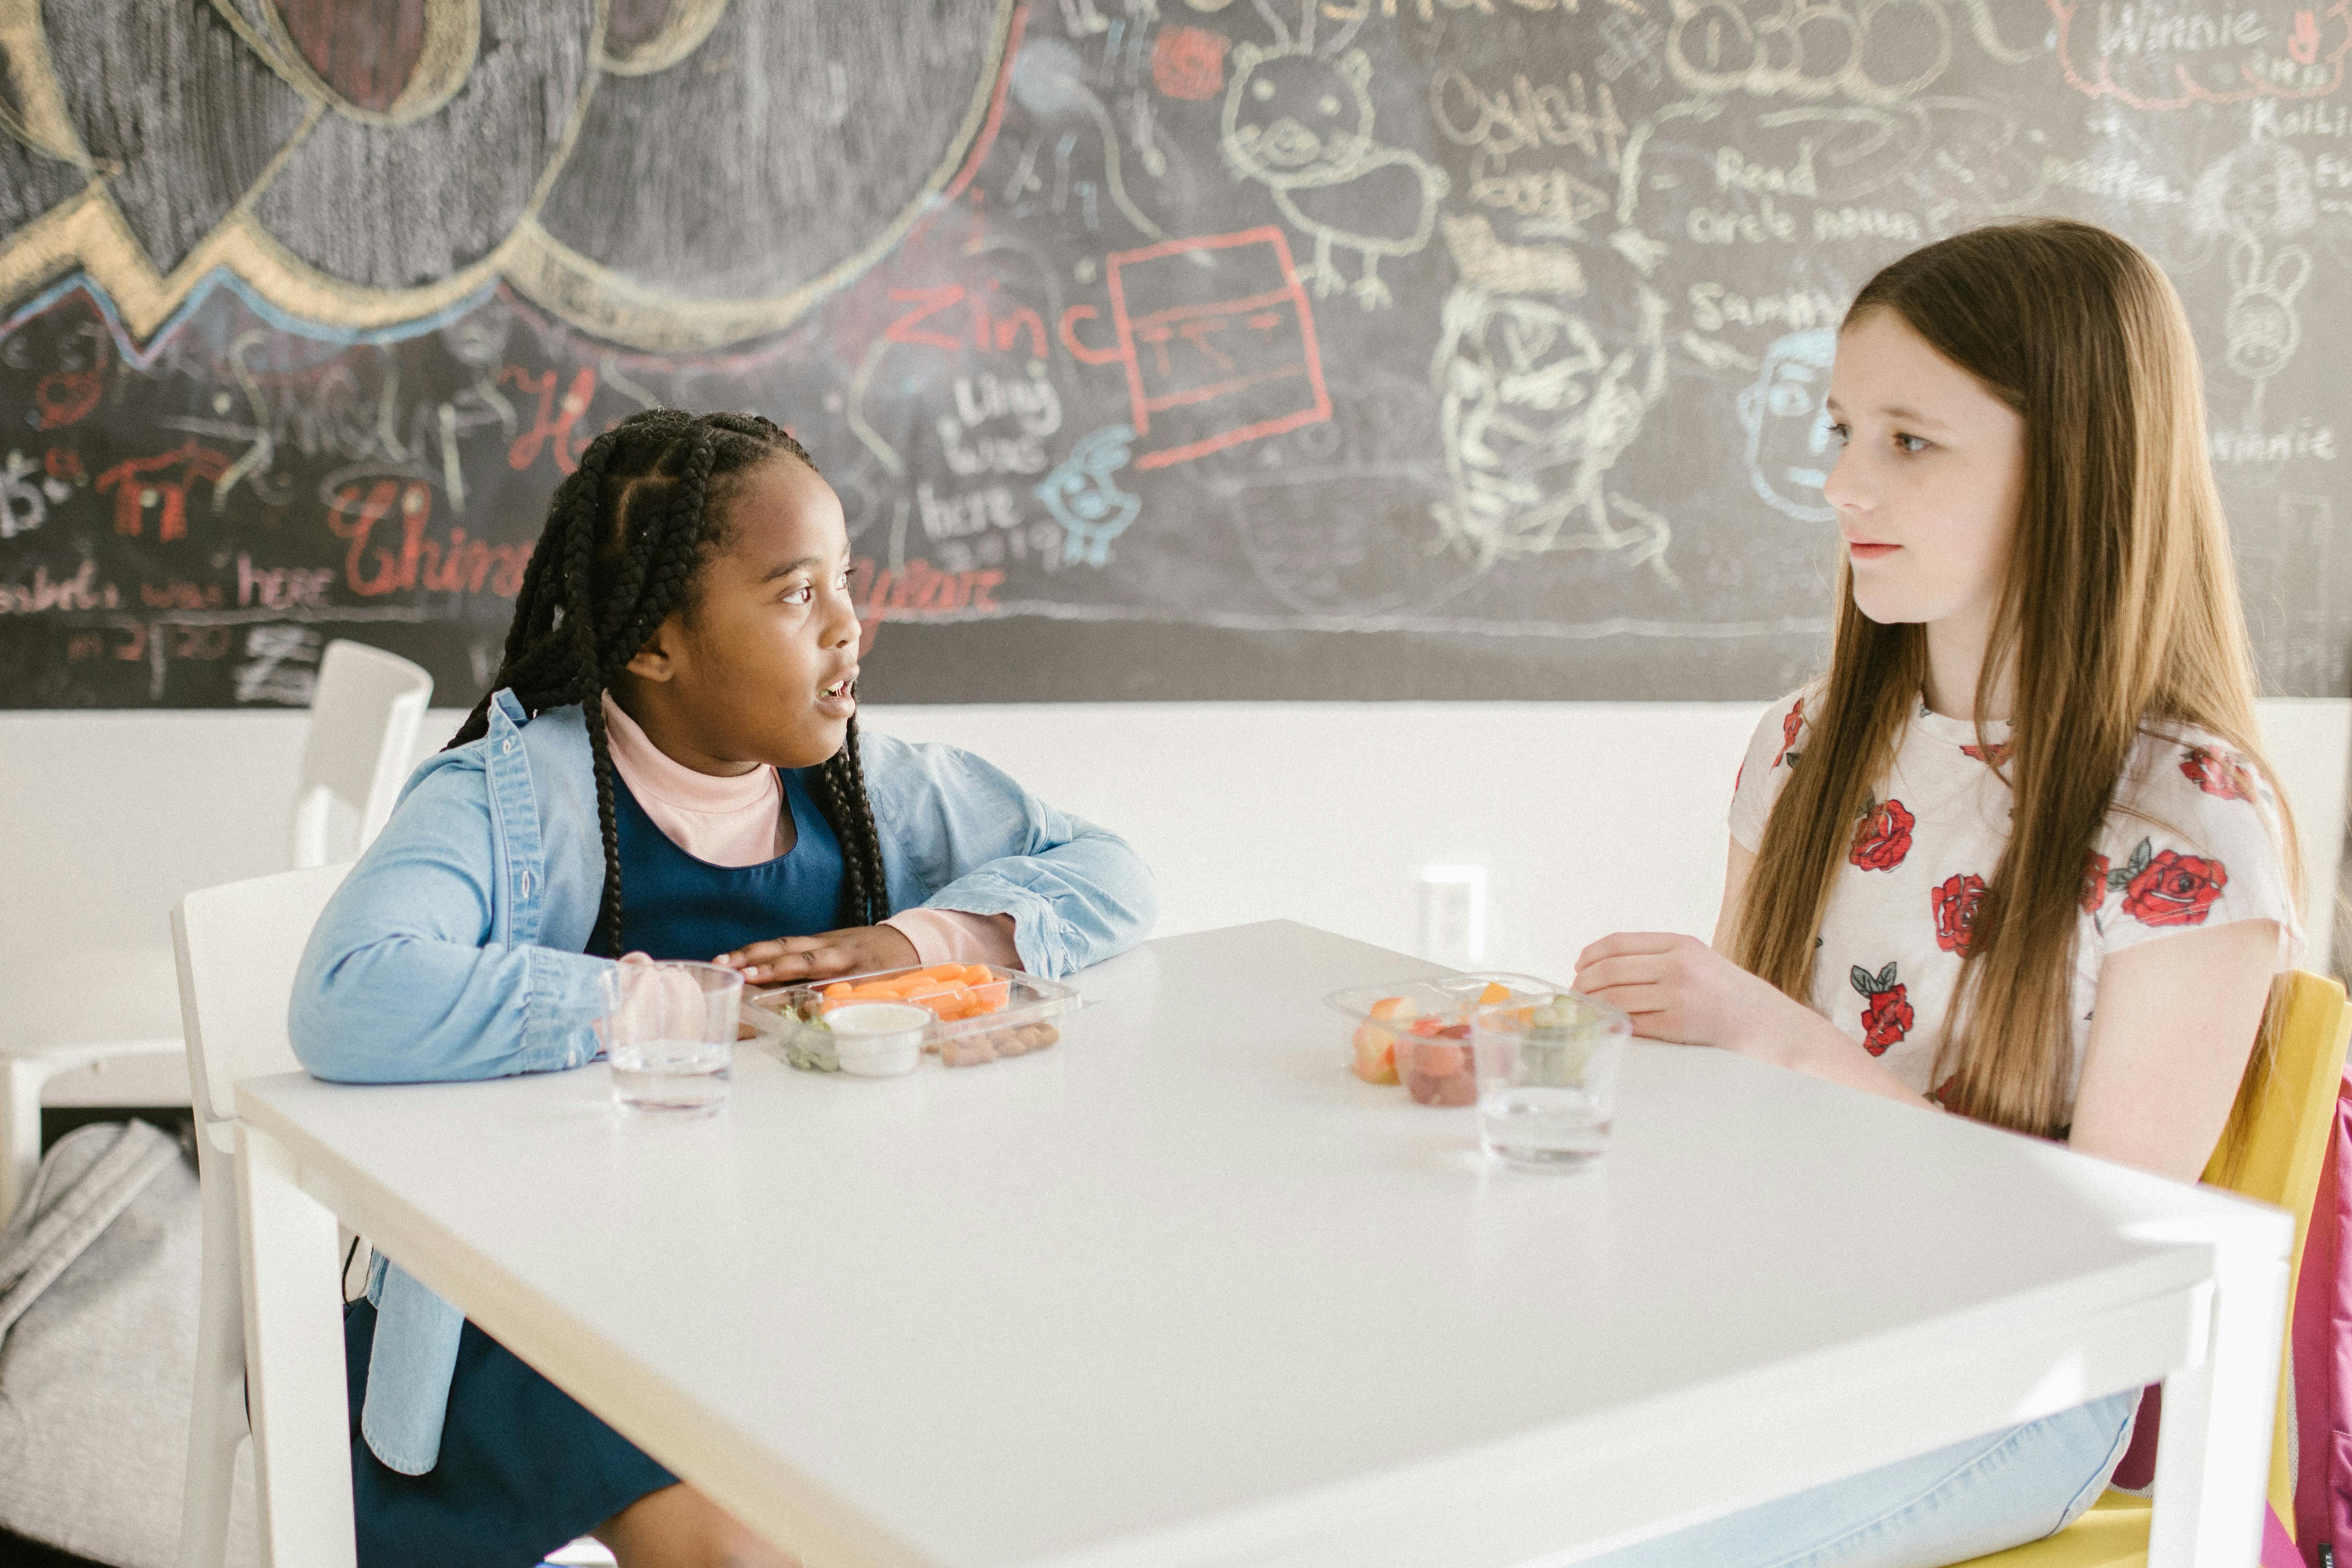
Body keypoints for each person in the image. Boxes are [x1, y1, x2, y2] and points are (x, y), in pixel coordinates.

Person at [289, 409, 1156, 1568]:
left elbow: (1113, 872)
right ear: (653, 642)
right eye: (798, 594)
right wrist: (683, 1011)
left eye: (845, 581)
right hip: (545, 1308)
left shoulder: (874, 791)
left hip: (794, 1291)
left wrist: (915, 944)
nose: (852, 626)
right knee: (737, 1550)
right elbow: (347, 993)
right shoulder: (508, 800)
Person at [1574, 219, 2301, 1566]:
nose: (1845, 486)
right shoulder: (1805, 744)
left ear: (2080, 468)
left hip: (2020, 1387)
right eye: (1842, 432)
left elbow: (2109, 1251)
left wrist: (1779, 1039)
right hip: (1784, 1318)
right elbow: (1736, 1117)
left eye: (1909, 442)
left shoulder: (2186, 822)